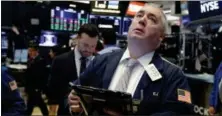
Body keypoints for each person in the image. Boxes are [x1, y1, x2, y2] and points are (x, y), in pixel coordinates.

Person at [68, 4, 193, 115]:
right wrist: (73, 105)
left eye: (152, 19)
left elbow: (180, 112)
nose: (142, 20)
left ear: (161, 37)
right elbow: (73, 92)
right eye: (139, 15)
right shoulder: (101, 61)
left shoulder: (174, 76)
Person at [48, 24, 99, 115]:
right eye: (85, 45)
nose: (89, 50)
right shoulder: (60, 61)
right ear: (77, 39)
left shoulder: (100, 62)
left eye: (93, 46)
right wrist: (69, 102)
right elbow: (53, 91)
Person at [25, 44, 49, 115]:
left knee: (37, 102)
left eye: (30, 51)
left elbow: (40, 75)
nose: (29, 52)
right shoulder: (31, 60)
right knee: (34, 102)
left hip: (35, 86)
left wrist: (38, 88)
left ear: (36, 51)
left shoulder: (40, 60)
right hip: (31, 86)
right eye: (29, 51)